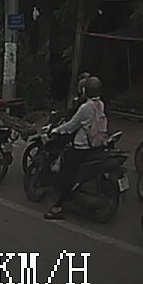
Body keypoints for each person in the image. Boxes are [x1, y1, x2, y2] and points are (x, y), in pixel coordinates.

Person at [45, 76, 108, 220]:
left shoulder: (85, 107)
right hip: (95, 145)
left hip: (81, 147)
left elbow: (72, 125)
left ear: (86, 91)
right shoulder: (100, 105)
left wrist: (56, 130)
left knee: (66, 175)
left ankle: (58, 207)